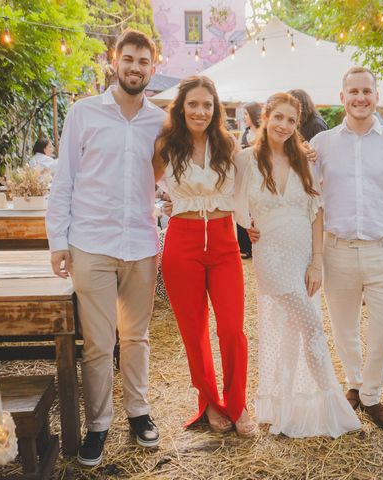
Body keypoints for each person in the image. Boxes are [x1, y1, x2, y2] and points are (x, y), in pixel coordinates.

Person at [46, 29, 163, 467]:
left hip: (140, 243)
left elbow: (172, 174)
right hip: (91, 243)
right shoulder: (84, 113)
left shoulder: (159, 120)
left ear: (152, 67)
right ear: (115, 61)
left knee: (136, 336)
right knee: (98, 342)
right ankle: (98, 424)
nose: (135, 67)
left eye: (143, 61)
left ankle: (138, 410)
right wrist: (58, 241)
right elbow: (65, 180)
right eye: (128, 59)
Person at [234, 93, 361, 438]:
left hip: (303, 256)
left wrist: (317, 262)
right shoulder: (246, 159)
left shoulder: (302, 160)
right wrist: (246, 223)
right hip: (271, 258)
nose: (284, 126)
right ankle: (332, 405)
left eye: (292, 120)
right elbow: (231, 198)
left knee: (292, 332)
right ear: (265, 116)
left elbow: (316, 212)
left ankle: (285, 408)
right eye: (279, 118)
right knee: (313, 328)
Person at [312, 67, 383, 430]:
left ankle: (372, 394)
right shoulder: (322, 144)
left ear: (378, 96)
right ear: (342, 97)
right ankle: (354, 384)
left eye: (367, 91)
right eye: (353, 91)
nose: (361, 98)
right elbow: (309, 196)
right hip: (337, 250)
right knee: (343, 328)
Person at [152, 75, 257, 438]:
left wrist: (304, 150)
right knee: (193, 332)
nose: (200, 111)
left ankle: (238, 401)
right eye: (193, 104)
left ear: (216, 110)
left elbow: (266, 167)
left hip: (225, 243)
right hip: (182, 243)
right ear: (182, 108)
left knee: (232, 329)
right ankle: (210, 401)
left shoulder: (229, 146)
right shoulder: (166, 144)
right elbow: (136, 184)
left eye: (207, 105)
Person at [238, 102, 261, 259]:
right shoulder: (244, 133)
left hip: (258, 175)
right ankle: (244, 246)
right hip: (246, 174)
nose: (244, 118)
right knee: (244, 208)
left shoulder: (262, 132)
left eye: (246, 114)